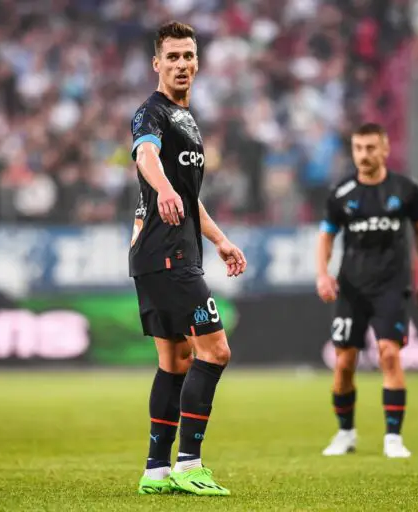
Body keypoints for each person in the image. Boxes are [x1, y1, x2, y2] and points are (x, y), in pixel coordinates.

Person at [130, 21, 247, 496]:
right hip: (169, 254)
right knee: (215, 351)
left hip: (160, 253)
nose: (181, 64)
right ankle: (190, 464)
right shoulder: (152, 112)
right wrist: (161, 189)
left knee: (175, 360)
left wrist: (220, 240)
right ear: (156, 63)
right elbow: (146, 156)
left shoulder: (187, 119)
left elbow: (188, 197)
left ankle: (156, 471)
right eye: (172, 57)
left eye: (188, 56)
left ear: (197, 62)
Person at [316, 122, 418, 458]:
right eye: (358, 148)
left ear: (384, 149)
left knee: (389, 355)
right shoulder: (341, 194)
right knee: (344, 364)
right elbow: (326, 236)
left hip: (391, 286)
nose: (364, 155)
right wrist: (323, 275)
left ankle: (393, 438)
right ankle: (345, 433)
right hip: (351, 288)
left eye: (370, 148)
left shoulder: (406, 190)